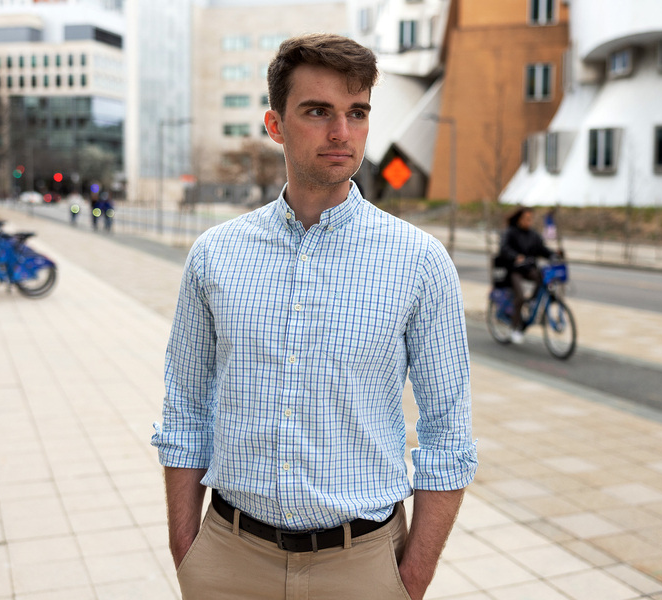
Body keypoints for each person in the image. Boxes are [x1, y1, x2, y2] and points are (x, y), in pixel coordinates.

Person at [151, 33, 476, 600]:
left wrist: (411, 580)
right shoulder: (214, 255)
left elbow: (449, 435)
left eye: (357, 113)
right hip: (229, 560)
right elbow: (184, 411)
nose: (341, 133)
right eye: (318, 111)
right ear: (276, 124)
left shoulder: (419, 263)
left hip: (363, 566)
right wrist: (190, 555)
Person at [496, 207, 559, 345]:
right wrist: (515, 257)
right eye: (526, 218)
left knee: (541, 278)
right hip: (514, 270)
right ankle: (514, 328)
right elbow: (504, 248)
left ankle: (532, 302)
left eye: (531, 219)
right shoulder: (510, 232)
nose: (529, 221)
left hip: (529, 268)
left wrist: (554, 254)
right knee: (519, 296)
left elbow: (542, 249)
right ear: (519, 219)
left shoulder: (533, 235)